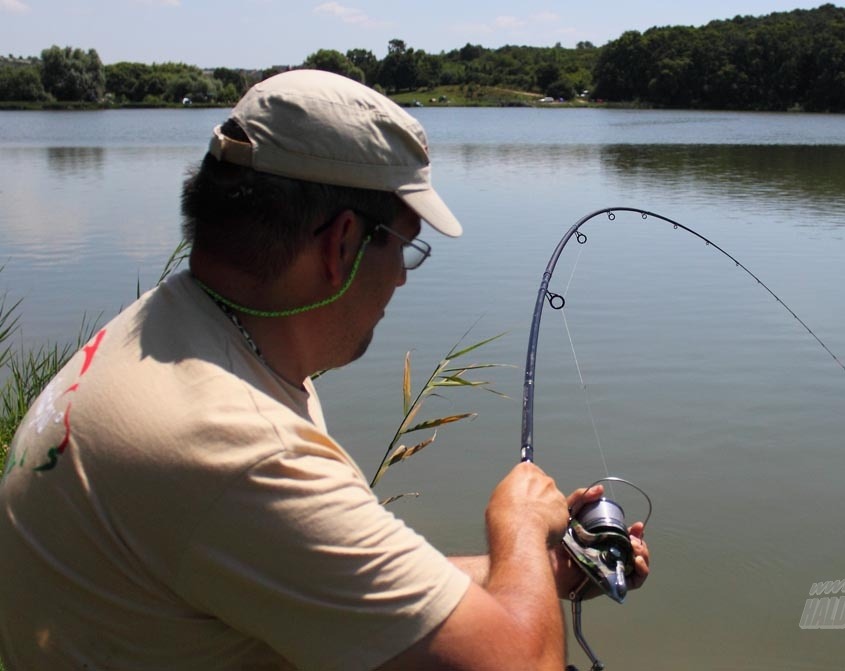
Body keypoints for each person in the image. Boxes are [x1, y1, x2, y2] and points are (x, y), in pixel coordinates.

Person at [0, 69, 649, 670]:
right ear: (343, 243)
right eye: (404, 246)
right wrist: (517, 528)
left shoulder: (174, 332)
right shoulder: (235, 446)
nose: (400, 276)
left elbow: (321, 573)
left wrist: (542, 570)